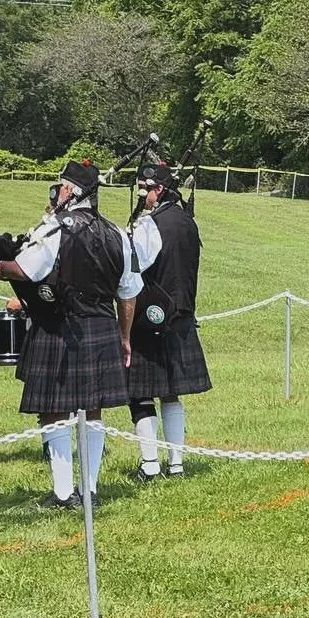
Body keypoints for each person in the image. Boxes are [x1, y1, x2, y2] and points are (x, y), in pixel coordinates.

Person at [0, 159, 141, 508]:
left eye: (59, 186)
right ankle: (89, 490)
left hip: (60, 326)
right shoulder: (118, 234)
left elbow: (25, 270)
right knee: (93, 408)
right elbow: (128, 294)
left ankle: (62, 493)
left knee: (53, 409)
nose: (55, 192)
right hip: (102, 326)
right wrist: (124, 337)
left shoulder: (55, 229)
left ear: (70, 190)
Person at [126, 161, 211, 479]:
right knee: (171, 392)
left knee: (140, 393)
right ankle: (176, 465)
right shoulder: (188, 222)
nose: (142, 196)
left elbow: (133, 269)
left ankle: (150, 466)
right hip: (182, 315)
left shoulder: (150, 225)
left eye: (145, 189)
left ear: (158, 189)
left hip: (151, 319)